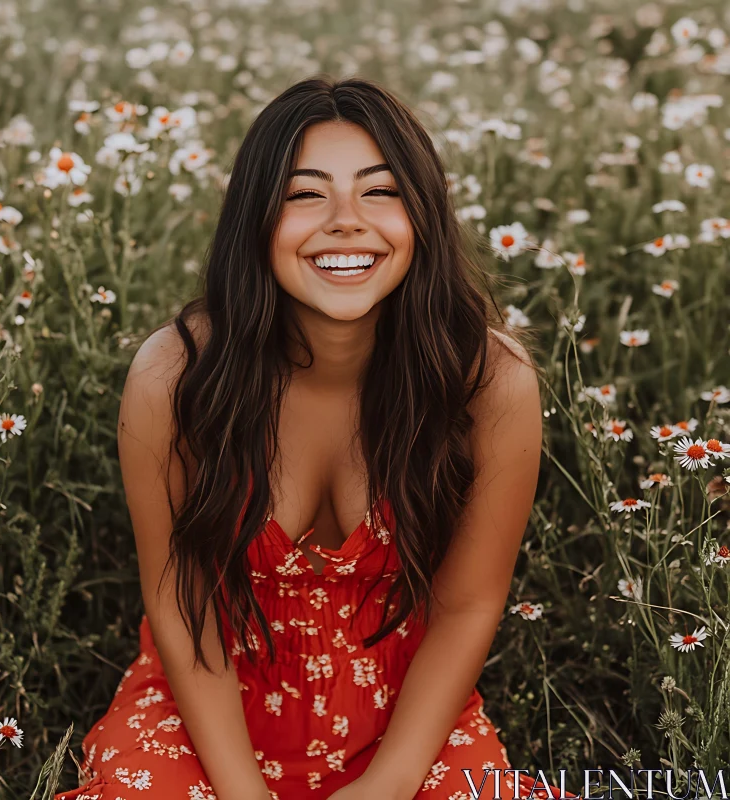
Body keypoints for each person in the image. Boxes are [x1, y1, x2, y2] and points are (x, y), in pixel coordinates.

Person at [56, 75, 569, 800]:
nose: (346, 221)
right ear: (255, 220)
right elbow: (179, 599)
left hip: (402, 712)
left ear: (422, 214)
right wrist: (241, 792)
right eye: (305, 195)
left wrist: (386, 786)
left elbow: (465, 605)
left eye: (380, 191)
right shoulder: (176, 376)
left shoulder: (489, 384)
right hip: (212, 700)